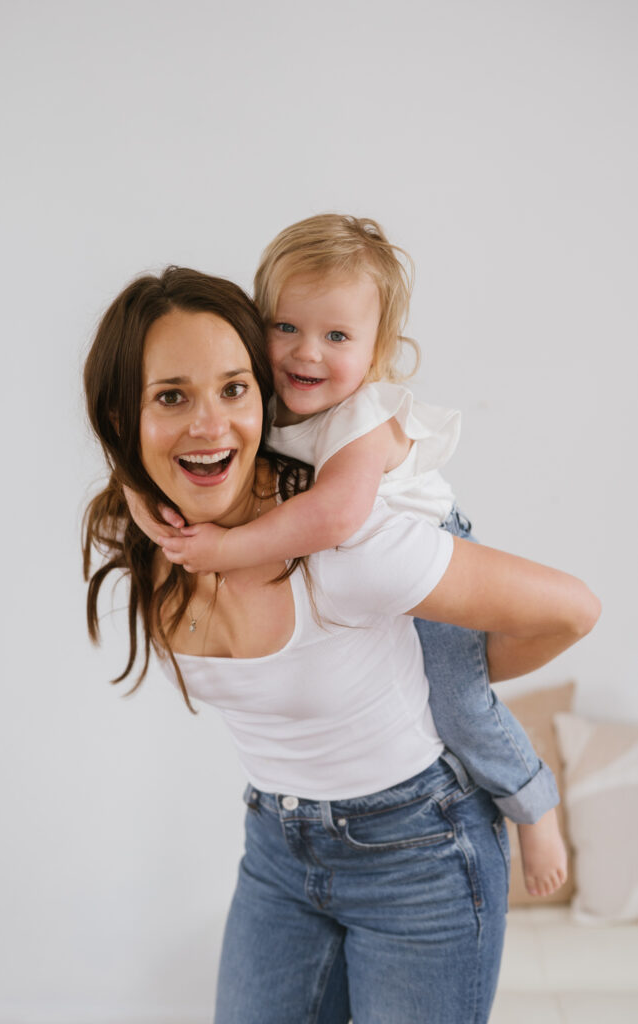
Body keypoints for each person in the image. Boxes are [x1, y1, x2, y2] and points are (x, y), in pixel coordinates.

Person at [83, 266, 600, 1024]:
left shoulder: (350, 546)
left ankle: (531, 802)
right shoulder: (148, 532)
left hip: (419, 854)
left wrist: (443, 675)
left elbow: (571, 610)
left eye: (234, 389)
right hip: (276, 851)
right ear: (122, 417)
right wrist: (138, 482)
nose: (209, 424)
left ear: (263, 394)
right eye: (171, 396)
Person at [142, 216, 565, 898]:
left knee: (457, 703)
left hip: (433, 550)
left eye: (336, 336)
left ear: (376, 352)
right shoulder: (262, 402)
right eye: (286, 327)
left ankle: (531, 803)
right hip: (286, 822)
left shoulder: (363, 418)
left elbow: (335, 516)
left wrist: (226, 547)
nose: (306, 353)